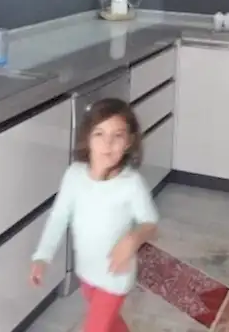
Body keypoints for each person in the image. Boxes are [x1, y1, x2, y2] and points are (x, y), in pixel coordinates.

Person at [29, 97, 159, 332]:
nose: (108, 143)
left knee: (96, 327)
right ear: (87, 138)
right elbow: (59, 217)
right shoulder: (74, 175)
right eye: (99, 134)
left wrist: (132, 239)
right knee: (111, 324)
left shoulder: (131, 184)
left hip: (115, 277)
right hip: (87, 273)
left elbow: (150, 223)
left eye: (117, 135)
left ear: (129, 142)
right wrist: (42, 256)